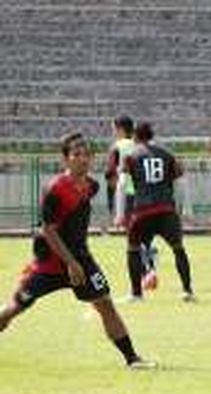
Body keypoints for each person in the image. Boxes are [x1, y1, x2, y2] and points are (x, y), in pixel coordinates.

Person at [0, 132, 156, 370]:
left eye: (86, 155)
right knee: (14, 309)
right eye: (76, 154)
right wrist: (70, 263)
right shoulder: (54, 189)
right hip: (50, 263)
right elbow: (49, 231)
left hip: (82, 261)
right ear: (65, 159)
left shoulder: (91, 186)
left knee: (105, 304)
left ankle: (132, 359)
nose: (83, 159)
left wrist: (77, 261)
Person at [115, 123, 194, 302]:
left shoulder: (131, 156)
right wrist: (186, 210)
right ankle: (187, 291)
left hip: (142, 210)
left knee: (133, 249)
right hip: (166, 209)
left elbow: (121, 184)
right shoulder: (167, 155)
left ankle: (136, 294)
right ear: (152, 136)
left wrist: (120, 214)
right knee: (178, 249)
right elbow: (181, 183)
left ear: (135, 138)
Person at [109, 115, 158, 292]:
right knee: (147, 237)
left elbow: (112, 175)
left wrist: (116, 208)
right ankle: (150, 269)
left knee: (133, 241)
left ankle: (146, 274)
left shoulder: (118, 147)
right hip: (148, 196)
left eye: (114, 129)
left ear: (120, 129)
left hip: (129, 197)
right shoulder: (141, 145)